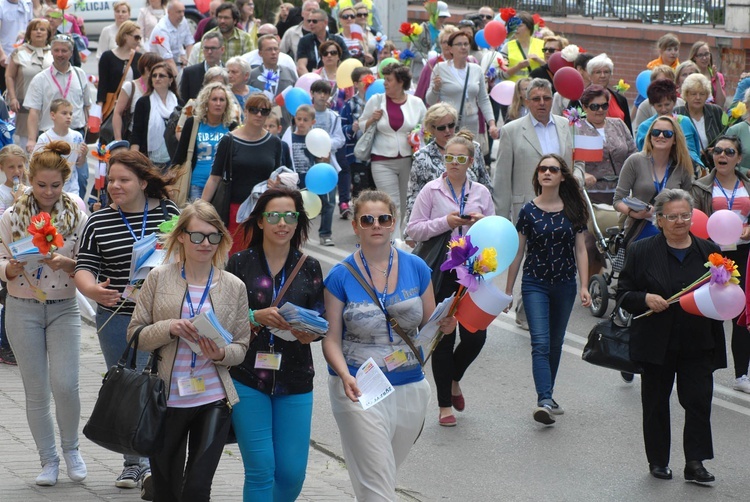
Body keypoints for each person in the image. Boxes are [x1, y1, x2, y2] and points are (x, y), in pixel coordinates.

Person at [323, 190, 456, 500]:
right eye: (367, 220)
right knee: (378, 486)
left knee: (382, 474)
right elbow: (330, 339)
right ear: (355, 225)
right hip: (359, 387)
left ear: (393, 222)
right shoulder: (340, 276)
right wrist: (345, 376)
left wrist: (447, 326)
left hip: (410, 384)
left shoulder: (418, 268)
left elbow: (429, 324)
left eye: (383, 219)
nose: (376, 225)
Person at [127, 200, 251, 501]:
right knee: (167, 489)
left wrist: (221, 354)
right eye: (197, 235)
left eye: (213, 236)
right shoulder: (158, 277)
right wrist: (170, 327)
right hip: (166, 398)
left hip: (214, 399)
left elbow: (242, 346)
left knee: (197, 488)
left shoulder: (233, 286)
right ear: (181, 236)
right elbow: (135, 335)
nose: (205, 243)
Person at [75, 150, 180, 494]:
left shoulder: (170, 214)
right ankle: (133, 464)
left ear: (143, 182)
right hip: (118, 318)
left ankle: (156, 461)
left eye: (124, 180)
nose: (115, 186)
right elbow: (84, 268)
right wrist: (94, 291)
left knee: (162, 389)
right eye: (111, 180)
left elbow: (191, 255)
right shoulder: (98, 221)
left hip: (166, 319)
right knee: (127, 388)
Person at [617, 188, 724, 484]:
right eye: (672, 216)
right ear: (659, 220)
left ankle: (695, 463)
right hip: (656, 342)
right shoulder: (642, 250)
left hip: (698, 340)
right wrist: (646, 298)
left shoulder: (708, 250)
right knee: (655, 403)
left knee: (698, 401)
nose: (680, 221)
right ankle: (658, 461)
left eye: (685, 215)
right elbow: (623, 293)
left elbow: (723, 290)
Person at [226, 187, 324, 501]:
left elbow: (321, 318)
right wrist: (255, 316)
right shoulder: (239, 263)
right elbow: (223, 318)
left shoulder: (309, 265)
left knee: (292, 473)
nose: (282, 223)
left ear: (298, 222)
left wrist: (313, 332)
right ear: (260, 221)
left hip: (296, 377)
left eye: (290, 216)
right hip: (246, 376)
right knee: (260, 469)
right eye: (274, 216)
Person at [0, 141, 89, 486]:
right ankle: (48, 459)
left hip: (64, 307)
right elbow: (2, 259)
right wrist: (8, 270)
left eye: (55, 185)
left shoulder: (77, 215)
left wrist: (68, 263)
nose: (48, 192)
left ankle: (72, 449)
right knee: (36, 389)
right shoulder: (11, 216)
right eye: (41, 185)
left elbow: (88, 262)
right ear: (29, 180)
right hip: (22, 307)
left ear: (64, 183)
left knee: (66, 385)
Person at [406, 131, 494, 426]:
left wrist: (482, 224)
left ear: (470, 161)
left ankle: (455, 378)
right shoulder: (431, 190)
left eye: (460, 159)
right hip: (440, 271)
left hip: (472, 271)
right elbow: (414, 230)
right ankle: (444, 406)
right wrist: (446, 222)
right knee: (443, 336)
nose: (453, 163)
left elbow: (494, 236)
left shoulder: (481, 192)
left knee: (476, 336)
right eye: (449, 158)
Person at [504, 154, 591, 425]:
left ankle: (548, 397)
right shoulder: (528, 211)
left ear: (562, 176)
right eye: (542, 169)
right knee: (540, 343)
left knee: (555, 343)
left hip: (564, 284)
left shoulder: (573, 209)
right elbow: (517, 252)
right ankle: (543, 400)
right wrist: (508, 291)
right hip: (535, 284)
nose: (547, 173)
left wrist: (584, 286)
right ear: (538, 175)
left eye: (553, 169)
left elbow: (580, 249)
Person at [691, 136, 750, 393]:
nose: (722, 155)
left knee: (742, 312)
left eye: (729, 151)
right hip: (712, 255)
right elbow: (695, 220)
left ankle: (742, 374)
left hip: (744, 253)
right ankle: (705, 369)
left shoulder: (747, 183)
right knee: (711, 311)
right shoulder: (701, 186)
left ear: (738, 157)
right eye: (718, 151)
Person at [201, 93, 283, 253]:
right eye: (254, 110)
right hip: (234, 211)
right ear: (245, 111)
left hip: (263, 211)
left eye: (264, 111)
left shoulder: (275, 143)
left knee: (261, 257)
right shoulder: (229, 140)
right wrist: (200, 208)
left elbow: (277, 174)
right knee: (235, 258)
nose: (259, 114)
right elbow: (214, 178)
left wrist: (277, 183)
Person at [493, 78, 578, 222]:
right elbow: (502, 180)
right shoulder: (510, 131)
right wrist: (501, 221)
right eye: (536, 99)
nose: (542, 103)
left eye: (546, 98)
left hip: (562, 206)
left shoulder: (567, 125)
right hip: (526, 210)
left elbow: (578, 162)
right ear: (527, 102)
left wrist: (578, 179)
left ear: (552, 100)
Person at [358, 63, 426, 240]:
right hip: (381, 160)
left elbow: (426, 129)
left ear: (401, 82)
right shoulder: (376, 100)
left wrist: (417, 134)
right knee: (392, 203)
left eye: (389, 80)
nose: (385, 84)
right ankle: (394, 244)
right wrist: (372, 119)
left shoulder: (416, 103)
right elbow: (360, 126)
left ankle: (403, 240)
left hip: (408, 160)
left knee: (406, 204)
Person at [405, 102, 491, 228]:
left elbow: (485, 182)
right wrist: (410, 234)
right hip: (438, 226)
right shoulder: (422, 157)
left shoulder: (473, 148)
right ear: (431, 129)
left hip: (472, 223)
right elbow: (413, 195)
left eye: (451, 125)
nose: (447, 131)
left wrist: (486, 218)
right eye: (441, 127)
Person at [614, 115, 694, 246]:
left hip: (673, 232)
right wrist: (634, 213)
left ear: (675, 139)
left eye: (667, 133)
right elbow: (617, 200)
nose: (661, 136)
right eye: (656, 132)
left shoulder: (682, 166)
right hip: (640, 231)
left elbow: (689, 203)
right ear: (650, 136)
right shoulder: (635, 161)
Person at [24, 35, 89, 157]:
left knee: (79, 175)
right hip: (50, 137)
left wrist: (91, 130)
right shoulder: (40, 79)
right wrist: (32, 140)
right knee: (51, 174)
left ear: (71, 53)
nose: (60, 54)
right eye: (56, 50)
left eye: (64, 51)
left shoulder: (80, 75)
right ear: (51, 52)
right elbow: (34, 112)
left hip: (76, 135)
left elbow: (87, 105)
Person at [426, 30, 499, 141]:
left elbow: (483, 99)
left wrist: (492, 123)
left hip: (472, 125)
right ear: (450, 49)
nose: (463, 47)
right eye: (459, 44)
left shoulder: (476, 69)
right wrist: (435, 88)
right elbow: (430, 101)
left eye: (466, 44)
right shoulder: (440, 68)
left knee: (469, 156)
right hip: (448, 126)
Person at [172, 82, 238, 201]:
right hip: (196, 184)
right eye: (214, 99)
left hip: (222, 186)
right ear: (206, 102)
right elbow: (179, 156)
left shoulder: (232, 126)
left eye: (222, 100)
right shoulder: (193, 123)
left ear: (227, 104)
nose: (218, 103)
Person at [578, 85, 638, 205]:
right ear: (585, 107)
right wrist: (582, 174)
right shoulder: (577, 129)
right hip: (591, 195)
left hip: (623, 192)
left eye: (604, 106)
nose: (600, 110)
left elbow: (633, 154)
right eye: (595, 106)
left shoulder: (619, 124)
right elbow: (570, 162)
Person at [635, 79, 704, 172]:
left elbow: (695, 149)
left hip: (689, 169)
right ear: (652, 105)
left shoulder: (685, 122)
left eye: (667, 104)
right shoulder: (645, 127)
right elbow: (644, 155)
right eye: (659, 105)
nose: (664, 109)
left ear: (674, 102)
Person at [5, 18, 53, 149]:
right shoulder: (19, 52)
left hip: (49, 106)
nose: (38, 32)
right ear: (29, 33)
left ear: (48, 34)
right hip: (25, 105)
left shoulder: (54, 52)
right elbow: (9, 76)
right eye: (34, 29)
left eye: (42, 29)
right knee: (28, 146)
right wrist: (13, 97)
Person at [0, 144, 28, 366]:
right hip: (5, 252)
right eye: (11, 167)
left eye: (20, 166)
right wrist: (15, 201)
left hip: (25, 249)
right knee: (7, 298)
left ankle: (15, 343)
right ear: (3, 168)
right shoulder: (1, 192)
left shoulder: (29, 191)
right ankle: (5, 345)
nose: (16, 171)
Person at [310, 79, 346, 245]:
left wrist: (326, 146)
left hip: (327, 162)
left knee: (329, 201)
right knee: (303, 199)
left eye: (325, 92)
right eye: (319, 92)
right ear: (312, 94)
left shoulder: (334, 116)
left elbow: (340, 138)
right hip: (307, 161)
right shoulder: (306, 113)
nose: (322, 96)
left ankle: (325, 233)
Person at [130, 61, 182, 169]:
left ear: (171, 80)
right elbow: (136, 134)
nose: (157, 78)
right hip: (149, 161)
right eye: (154, 76)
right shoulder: (143, 103)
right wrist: (133, 160)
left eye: (161, 75)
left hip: (173, 162)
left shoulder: (180, 104)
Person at [34, 99, 88, 197]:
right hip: (51, 188)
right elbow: (35, 163)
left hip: (72, 188)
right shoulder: (45, 138)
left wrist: (83, 155)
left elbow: (79, 164)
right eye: (64, 113)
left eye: (70, 114)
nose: (68, 117)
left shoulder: (77, 137)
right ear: (53, 115)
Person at [248, 33, 297, 130]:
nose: (273, 52)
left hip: (285, 127)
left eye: (276, 49)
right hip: (259, 128)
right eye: (269, 49)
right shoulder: (252, 75)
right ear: (260, 53)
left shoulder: (289, 73)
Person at [341, 67, 376, 198]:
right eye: (365, 80)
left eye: (371, 80)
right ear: (355, 84)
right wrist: (352, 128)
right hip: (357, 156)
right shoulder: (349, 105)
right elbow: (342, 130)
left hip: (377, 153)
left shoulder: (379, 102)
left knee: (376, 191)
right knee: (360, 191)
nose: (369, 84)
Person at [112, 52, 164, 142]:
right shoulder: (130, 86)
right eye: (157, 69)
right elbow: (117, 113)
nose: (160, 74)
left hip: (156, 137)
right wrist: (118, 139)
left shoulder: (161, 87)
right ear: (147, 69)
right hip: (134, 137)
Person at [97, 21, 143, 121]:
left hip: (134, 105)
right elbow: (102, 85)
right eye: (136, 37)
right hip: (113, 106)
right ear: (125, 36)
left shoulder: (139, 58)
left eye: (140, 38)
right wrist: (98, 110)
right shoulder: (107, 57)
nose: (139, 41)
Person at [674, 73, 724, 164]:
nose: (698, 98)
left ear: (707, 95)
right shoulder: (677, 113)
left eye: (702, 94)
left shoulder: (716, 111)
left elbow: (726, 136)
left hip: (713, 165)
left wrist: (717, 148)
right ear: (686, 95)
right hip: (685, 164)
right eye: (693, 94)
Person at [586, 53, 633, 133]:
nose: (602, 75)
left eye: (606, 72)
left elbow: (628, 130)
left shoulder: (620, 99)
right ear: (590, 75)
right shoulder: (580, 99)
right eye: (598, 72)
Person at [296, 8, 350, 75]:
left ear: (325, 22)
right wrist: (310, 80)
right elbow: (301, 67)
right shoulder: (304, 41)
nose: (310, 24)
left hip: (335, 79)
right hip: (313, 80)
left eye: (314, 21)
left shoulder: (337, 40)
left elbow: (347, 62)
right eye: (309, 21)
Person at [148, 1, 194, 77]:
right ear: (169, 12)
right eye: (179, 12)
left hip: (178, 62)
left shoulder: (183, 21)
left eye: (183, 11)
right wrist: (179, 79)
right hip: (159, 67)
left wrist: (190, 65)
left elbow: (189, 43)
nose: (182, 15)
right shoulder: (161, 29)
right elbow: (168, 59)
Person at [632, 65, 683, 132]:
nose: (664, 86)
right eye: (660, 82)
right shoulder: (645, 106)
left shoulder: (682, 103)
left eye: (668, 82)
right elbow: (639, 132)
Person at [180, 31, 225, 102]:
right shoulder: (190, 73)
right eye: (206, 48)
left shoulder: (229, 73)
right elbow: (182, 103)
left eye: (213, 48)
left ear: (222, 49)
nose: (209, 52)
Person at [500, 11, 545, 82]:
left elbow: (551, 70)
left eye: (519, 26)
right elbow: (501, 75)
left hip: (536, 90)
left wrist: (540, 61)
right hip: (515, 90)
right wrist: (518, 67)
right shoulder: (507, 46)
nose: (516, 29)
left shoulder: (543, 45)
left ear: (529, 27)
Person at [0, 0, 33, 93]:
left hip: (24, 56)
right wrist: (2, 55)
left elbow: (30, 28)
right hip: (5, 57)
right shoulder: (1, 5)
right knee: (6, 90)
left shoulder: (27, 3)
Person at [313, 40, 354, 113]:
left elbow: (350, 100)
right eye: (325, 53)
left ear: (338, 56)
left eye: (333, 53)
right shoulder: (314, 76)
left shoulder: (346, 76)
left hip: (341, 117)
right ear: (322, 57)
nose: (329, 56)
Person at [689, 41, 725, 108]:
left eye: (706, 54)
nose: (704, 58)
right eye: (700, 55)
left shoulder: (718, 76)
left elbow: (720, 103)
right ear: (694, 57)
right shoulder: (690, 75)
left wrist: (717, 79)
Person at [727, 90, 750, 174]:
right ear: (747, 106)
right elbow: (726, 163)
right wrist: (746, 172)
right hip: (742, 183)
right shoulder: (735, 131)